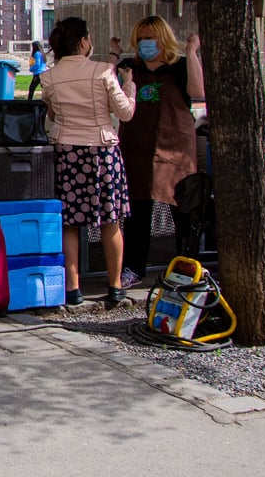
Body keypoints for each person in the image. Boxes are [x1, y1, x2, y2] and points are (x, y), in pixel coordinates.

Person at [41, 15, 137, 308]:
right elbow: (125, 113)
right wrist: (129, 88)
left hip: (68, 151)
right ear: (83, 41)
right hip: (102, 151)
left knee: (69, 222)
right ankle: (115, 286)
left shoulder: (48, 77)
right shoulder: (103, 71)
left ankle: (73, 288)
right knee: (110, 221)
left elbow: (53, 115)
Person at [115, 17, 204, 289]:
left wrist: (191, 54)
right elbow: (112, 97)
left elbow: (198, 92)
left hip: (175, 150)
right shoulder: (130, 67)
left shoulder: (178, 67)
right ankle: (134, 268)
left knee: (182, 212)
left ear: (163, 38)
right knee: (137, 213)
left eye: (151, 37)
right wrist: (114, 60)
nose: (145, 43)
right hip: (137, 150)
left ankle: (185, 269)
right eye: (141, 38)